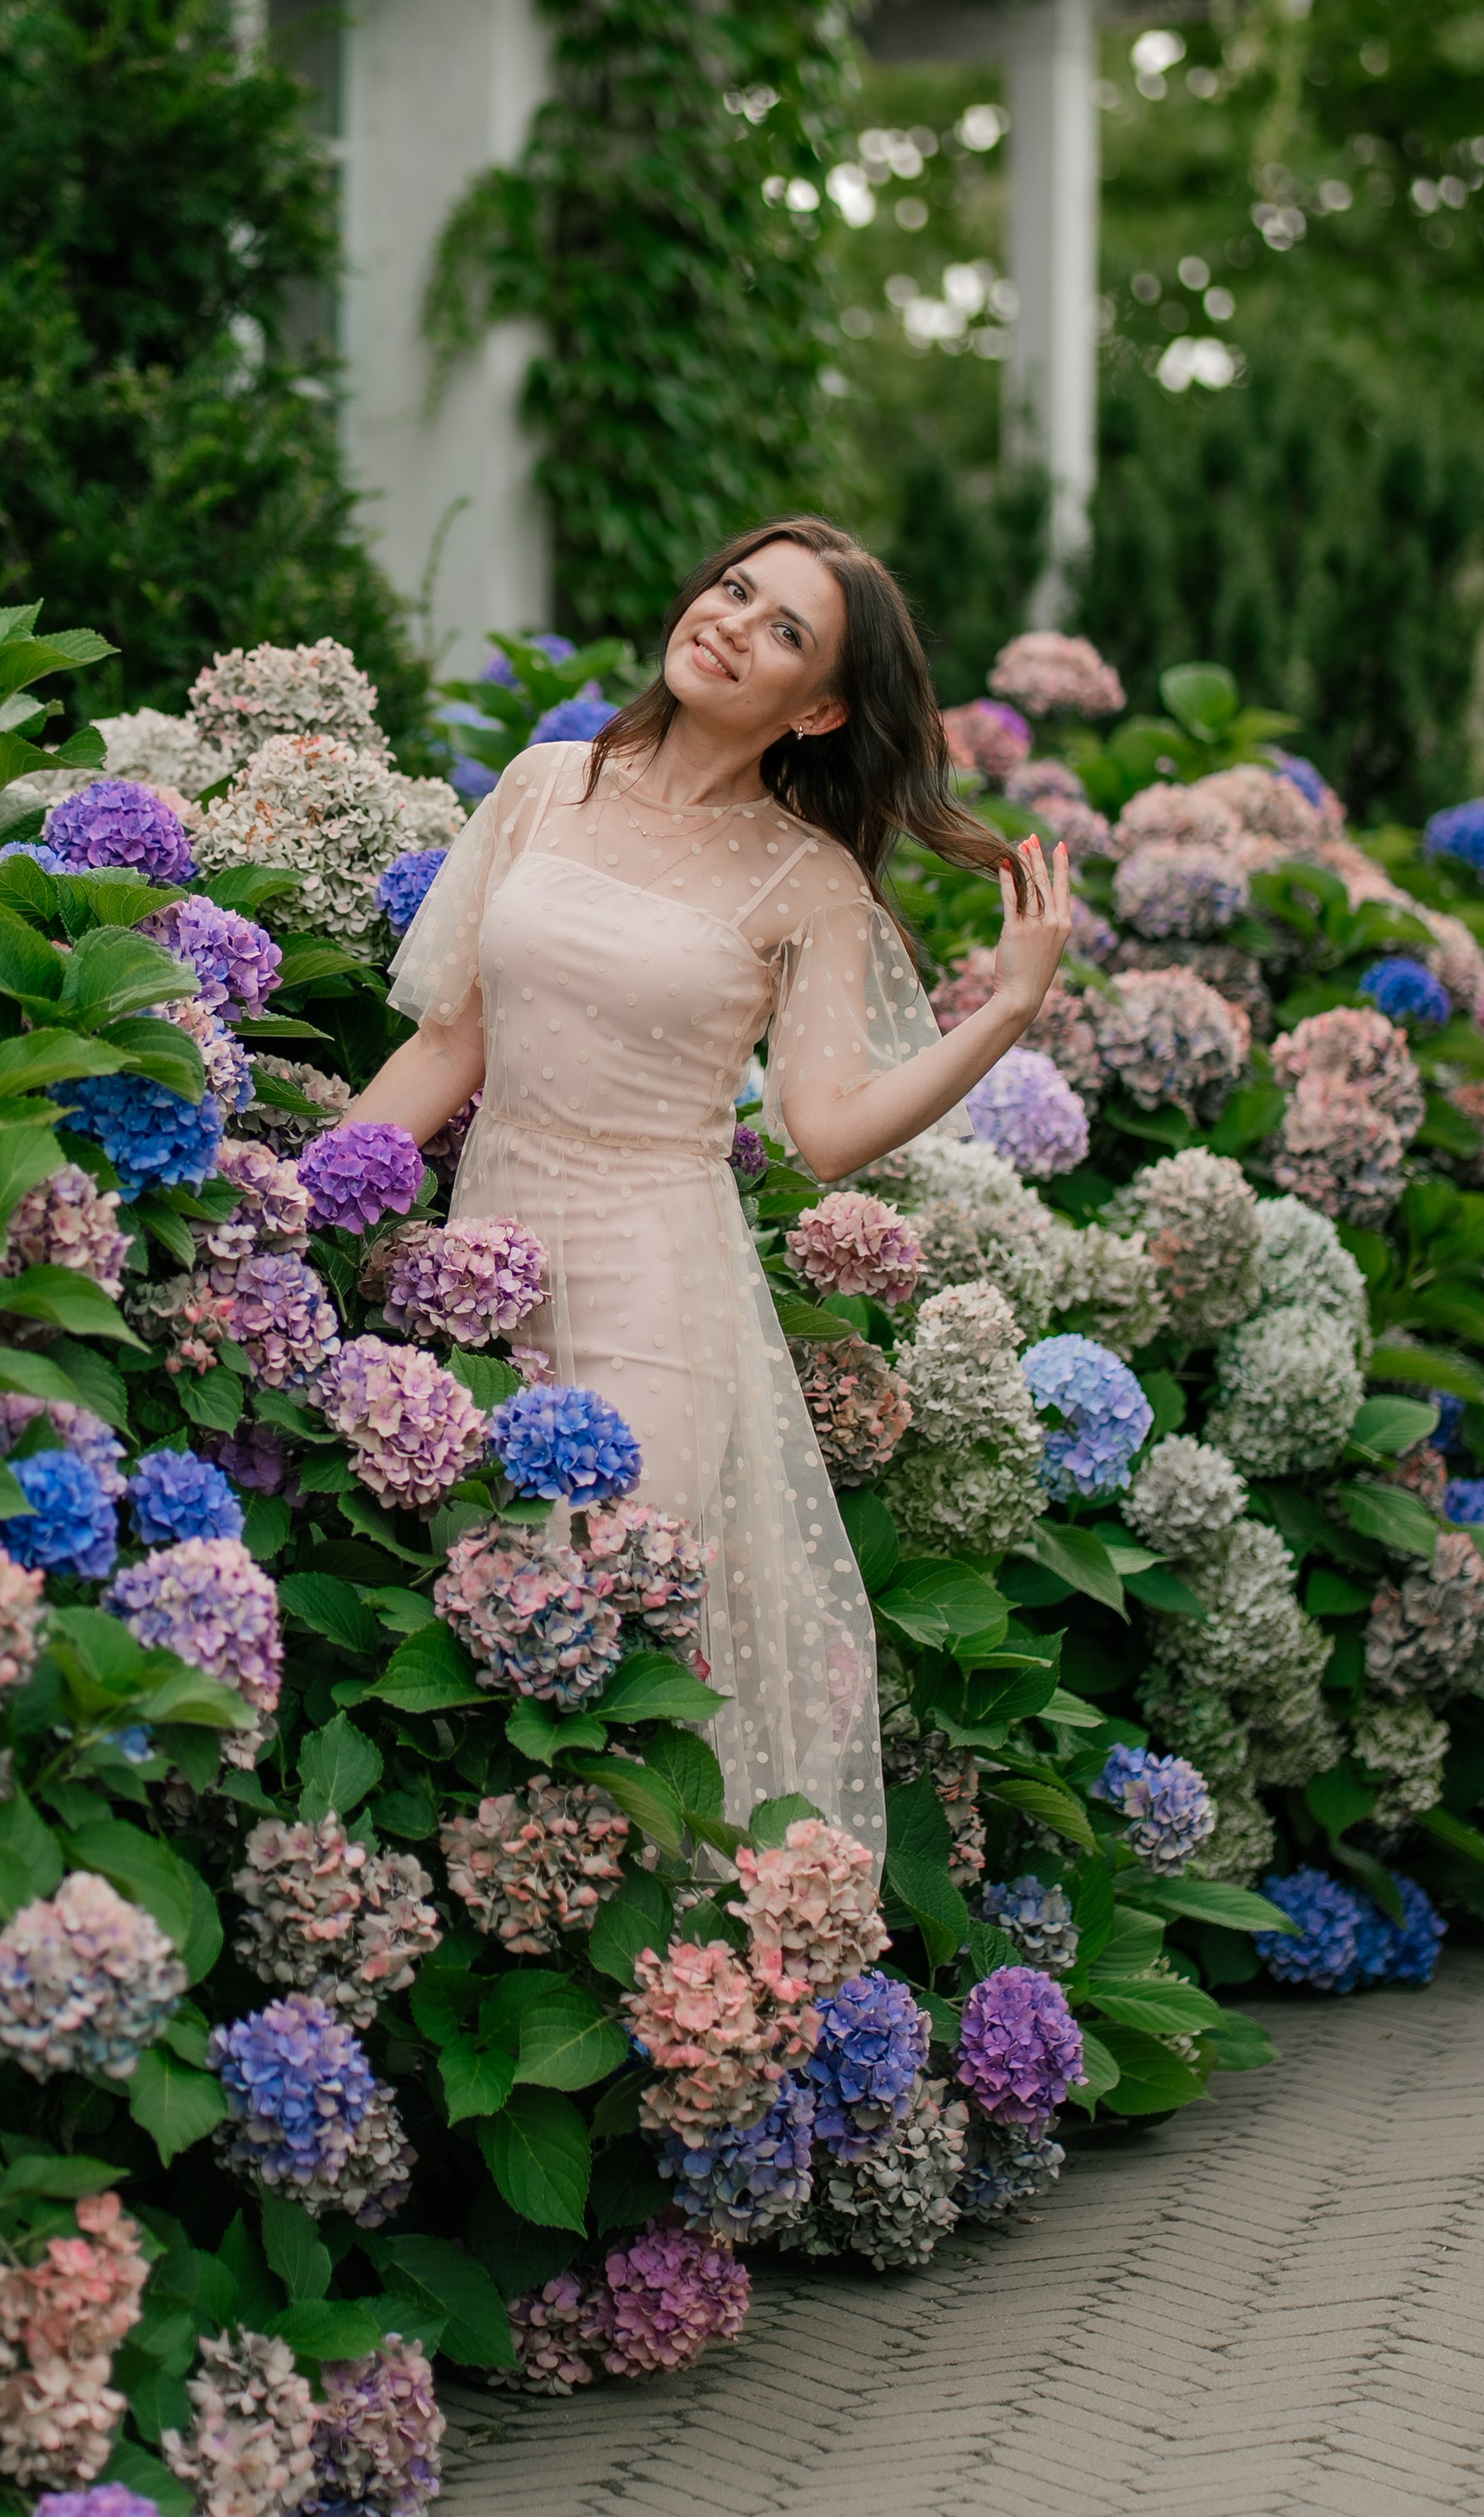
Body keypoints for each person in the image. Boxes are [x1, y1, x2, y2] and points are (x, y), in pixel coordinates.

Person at [341, 516, 1073, 1845]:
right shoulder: (544, 784)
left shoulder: (813, 882)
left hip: (655, 1287)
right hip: (485, 1251)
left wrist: (1006, 1012)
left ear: (823, 706)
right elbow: (451, 1040)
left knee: (604, 1626)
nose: (733, 622)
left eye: (785, 629)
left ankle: (676, 1980)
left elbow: (827, 1134)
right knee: (456, 1605)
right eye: (735, 589)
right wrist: (306, 1196)